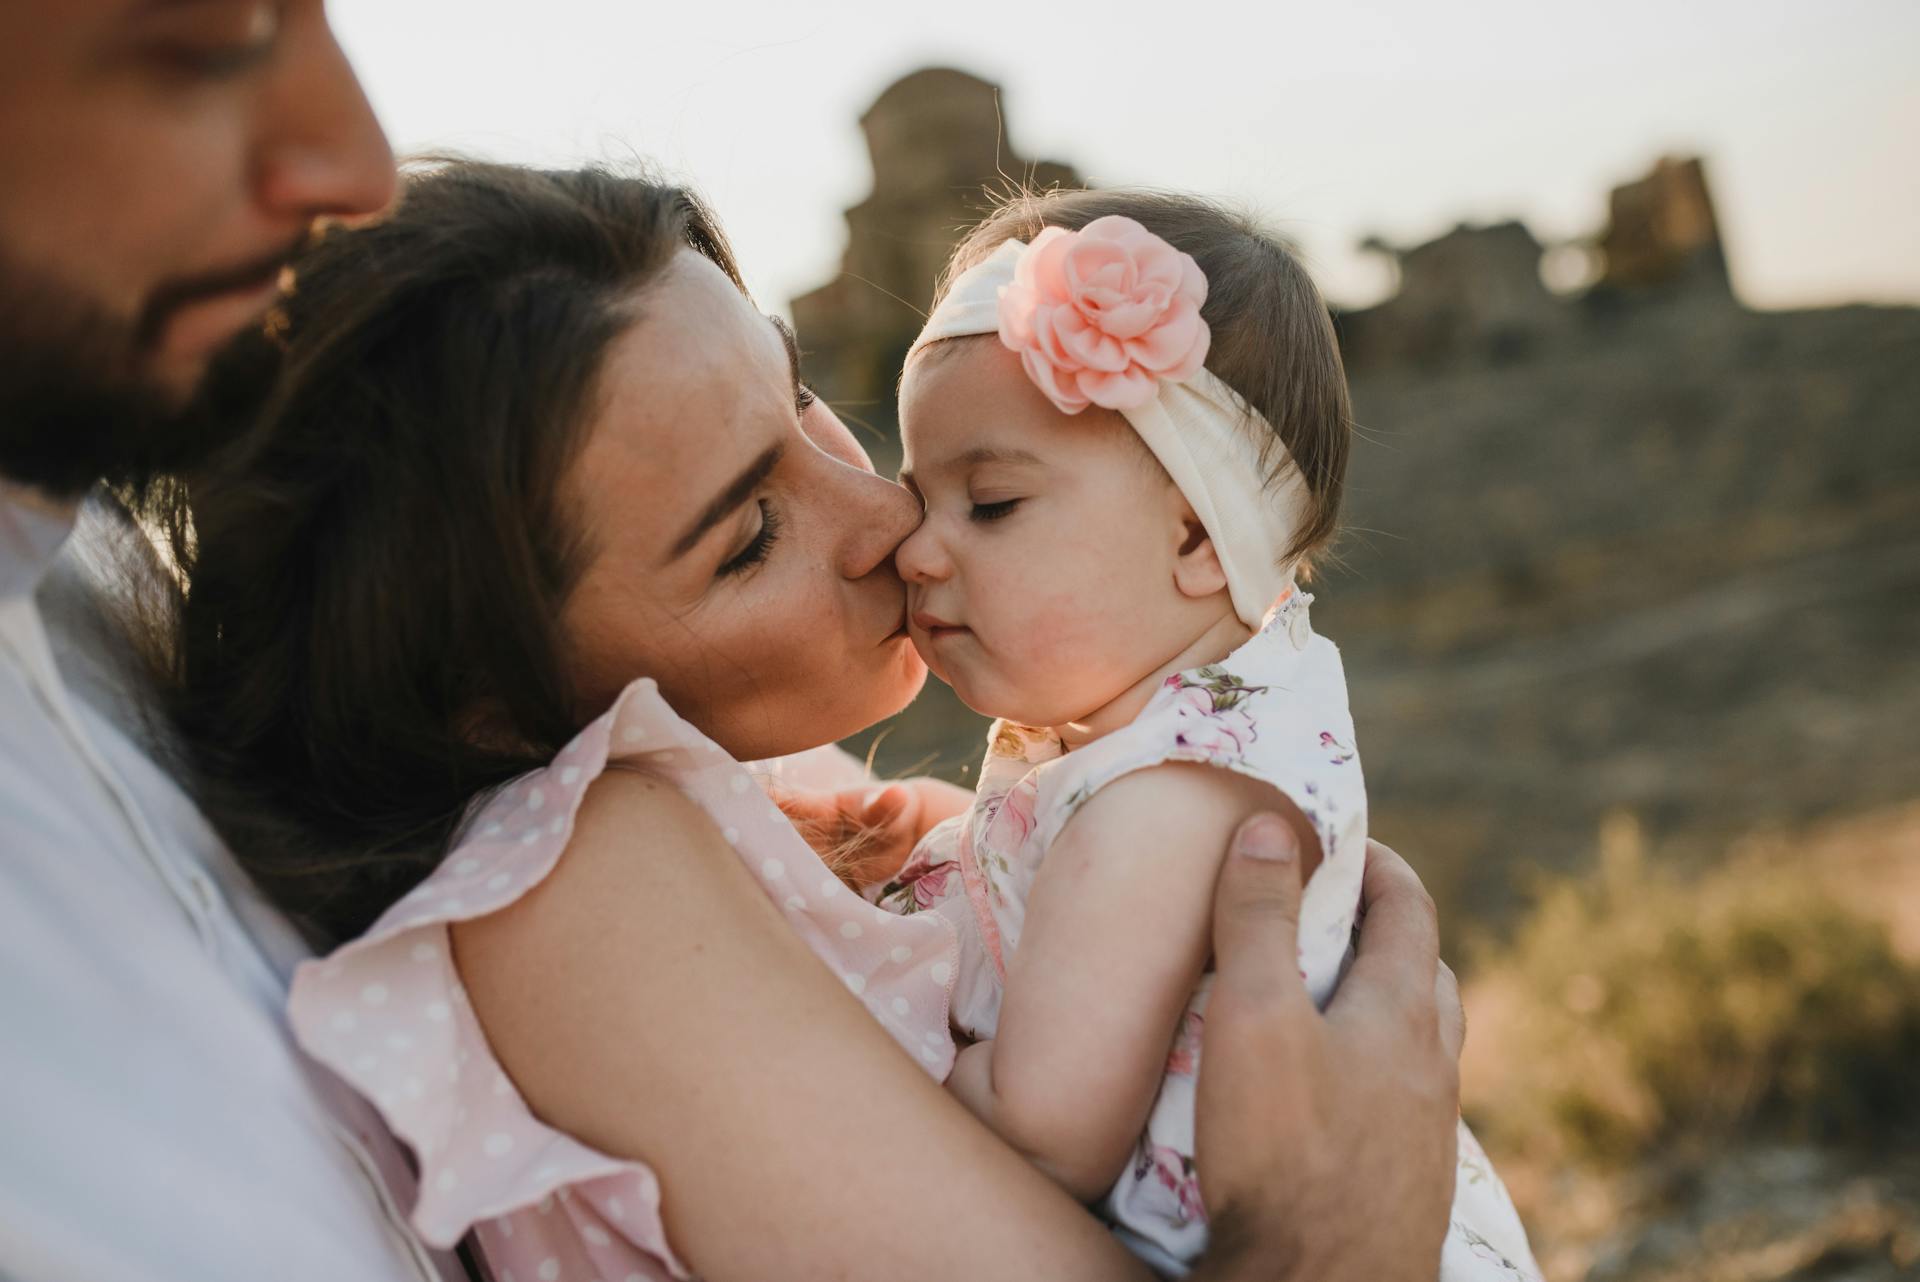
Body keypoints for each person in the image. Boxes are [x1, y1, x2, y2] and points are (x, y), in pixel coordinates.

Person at [0, 5, 1464, 1281]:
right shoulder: (575, 876)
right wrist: (1343, 1239)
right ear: (495, 707)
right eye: (748, 532)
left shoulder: (741, 806)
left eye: (804, 397)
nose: (888, 513)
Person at [874, 194, 1540, 1278]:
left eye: (989, 503)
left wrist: (842, 1037)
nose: (917, 551)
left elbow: (1049, 1134)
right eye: (917, 500)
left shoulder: (1164, 804)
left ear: (1196, 531)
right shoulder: (1200, 723)